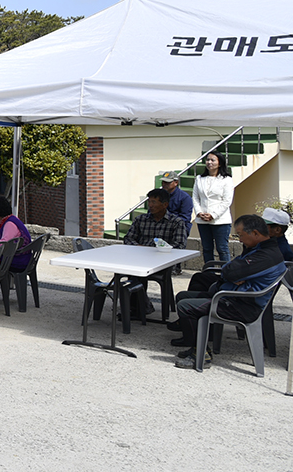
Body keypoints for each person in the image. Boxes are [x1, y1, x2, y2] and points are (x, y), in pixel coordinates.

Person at [173, 214, 286, 368]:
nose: (239, 240)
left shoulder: (266, 256)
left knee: (185, 306)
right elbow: (231, 268)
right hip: (232, 296)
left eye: (241, 235)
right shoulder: (258, 248)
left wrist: (232, 274)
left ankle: (201, 355)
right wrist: (232, 273)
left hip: (241, 305)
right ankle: (197, 344)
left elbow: (230, 272)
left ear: (255, 233)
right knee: (182, 296)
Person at [121, 188, 188, 318]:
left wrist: (157, 250)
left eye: (154, 202)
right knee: (133, 272)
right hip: (140, 260)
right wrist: (139, 247)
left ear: (165, 205)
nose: (150, 205)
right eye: (149, 202)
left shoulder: (176, 222)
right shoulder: (141, 220)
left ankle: (139, 307)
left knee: (138, 274)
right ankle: (137, 306)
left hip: (163, 263)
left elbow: (179, 245)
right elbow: (128, 239)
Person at [192, 151, 234, 264]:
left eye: (213, 160)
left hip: (220, 220)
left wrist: (213, 215)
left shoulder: (226, 179)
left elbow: (227, 201)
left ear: (219, 163)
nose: (209, 162)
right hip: (202, 219)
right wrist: (199, 212)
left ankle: (226, 271)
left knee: (222, 249)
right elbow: (195, 197)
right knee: (207, 248)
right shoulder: (199, 178)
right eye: (208, 160)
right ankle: (209, 272)